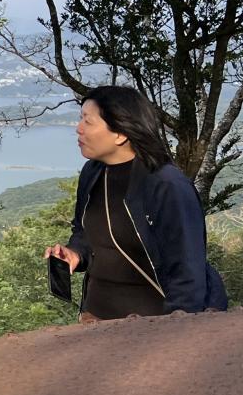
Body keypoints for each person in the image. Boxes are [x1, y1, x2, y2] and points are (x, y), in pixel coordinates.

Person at [45, 85, 223, 319]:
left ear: (120, 133)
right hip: (95, 317)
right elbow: (84, 231)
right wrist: (76, 254)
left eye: (87, 122)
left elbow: (187, 273)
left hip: (152, 325)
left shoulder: (167, 186)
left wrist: (176, 332)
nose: (78, 129)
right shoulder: (93, 172)